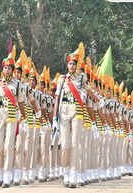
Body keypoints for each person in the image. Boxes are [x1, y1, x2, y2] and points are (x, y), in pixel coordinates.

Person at [0, 54, 26, 188]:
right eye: (4, 68)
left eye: (9, 68)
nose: (6, 71)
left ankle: (6, 176)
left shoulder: (18, 85)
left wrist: (24, 119)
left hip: (12, 116)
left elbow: (21, 103)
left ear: (12, 70)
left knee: (8, 147)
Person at [52, 52, 87, 188]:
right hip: (64, 112)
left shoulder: (81, 78)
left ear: (77, 66)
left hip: (77, 111)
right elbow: (57, 98)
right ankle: (65, 171)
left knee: (75, 144)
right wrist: (55, 118)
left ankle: (73, 174)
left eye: (74, 64)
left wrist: (83, 95)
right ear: (67, 65)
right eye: (70, 63)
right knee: (65, 145)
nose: (72, 66)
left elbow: (86, 91)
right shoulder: (62, 79)